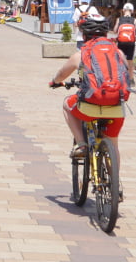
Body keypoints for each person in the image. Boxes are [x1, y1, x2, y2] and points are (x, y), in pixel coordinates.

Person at [50, 14, 129, 197]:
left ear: (84, 35)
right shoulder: (119, 53)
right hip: (116, 108)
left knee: (67, 105)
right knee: (114, 144)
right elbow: (127, 76)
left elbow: (61, 74)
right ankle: (115, 183)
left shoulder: (81, 54)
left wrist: (54, 82)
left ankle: (82, 144)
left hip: (89, 106)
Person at [113, 2, 136, 90]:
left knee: (119, 60)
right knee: (130, 61)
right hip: (130, 43)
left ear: (123, 10)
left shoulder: (119, 19)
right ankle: (131, 79)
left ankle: (119, 78)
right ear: (132, 11)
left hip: (121, 42)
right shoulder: (134, 20)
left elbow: (114, 31)